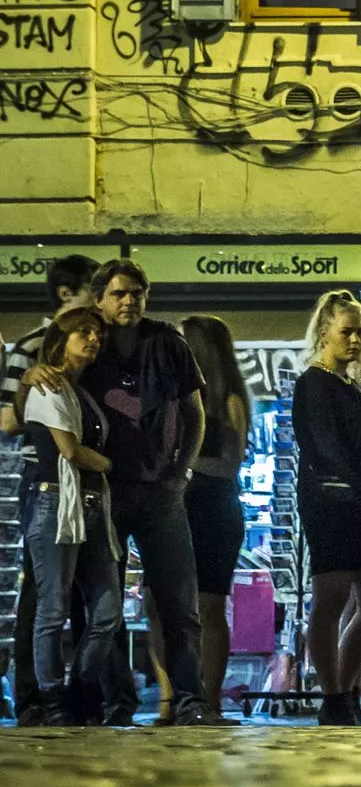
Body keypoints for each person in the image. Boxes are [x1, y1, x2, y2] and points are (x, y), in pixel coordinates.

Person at [20, 260, 227, 726]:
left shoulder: (167, 343)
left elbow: (194, 412)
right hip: (102, 493)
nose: (128, 301)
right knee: (101, 606)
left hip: (159, 492)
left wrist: (181, 472)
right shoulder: (87, 341)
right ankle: (109, 702)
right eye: (118, 294)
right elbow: (42, 388)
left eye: (136, 292)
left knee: (178, 601)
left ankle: (190, 700)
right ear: (99, 299)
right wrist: (31, 377)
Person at [292, 291, 361, 726]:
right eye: (347, 331)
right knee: (331, 597)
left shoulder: (352, 386)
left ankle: (343, 681)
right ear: (325, 333)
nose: (356, 339)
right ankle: (335, 693)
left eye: (360, 331)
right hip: (332, 501)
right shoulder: (313, 382)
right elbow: (327, 446)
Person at [0, 253, 101, 726]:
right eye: (93, 290)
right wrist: (30, 386)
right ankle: (36, 697)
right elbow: (6, 422)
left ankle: (77, 693)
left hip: (85, 489)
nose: (99, 304)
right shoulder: (32, 348)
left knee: (87, 597)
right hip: (45, 481)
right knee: (44, 596)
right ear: (66, 294)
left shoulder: (95, 350)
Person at [14, 308, 120, 727]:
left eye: (97, 333)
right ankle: (54, 698)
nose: (93, 339)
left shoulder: (79, 390)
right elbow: (71, 451)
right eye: (83, 332)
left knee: (108, 612)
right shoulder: (48, 385)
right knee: (52, 609)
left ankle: (78, 686)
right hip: (56, 502)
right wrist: (110, 465)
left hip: (90, 505)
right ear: (62, 338)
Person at [177, 316, 251, 715]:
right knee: (166, 602)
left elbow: (232, 462)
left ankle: (209, 700)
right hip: (181, 503)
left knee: (209, 603)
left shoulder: (228, 401)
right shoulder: (176, 394)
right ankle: (177, 698)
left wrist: (184, 467)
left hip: (213, 505)